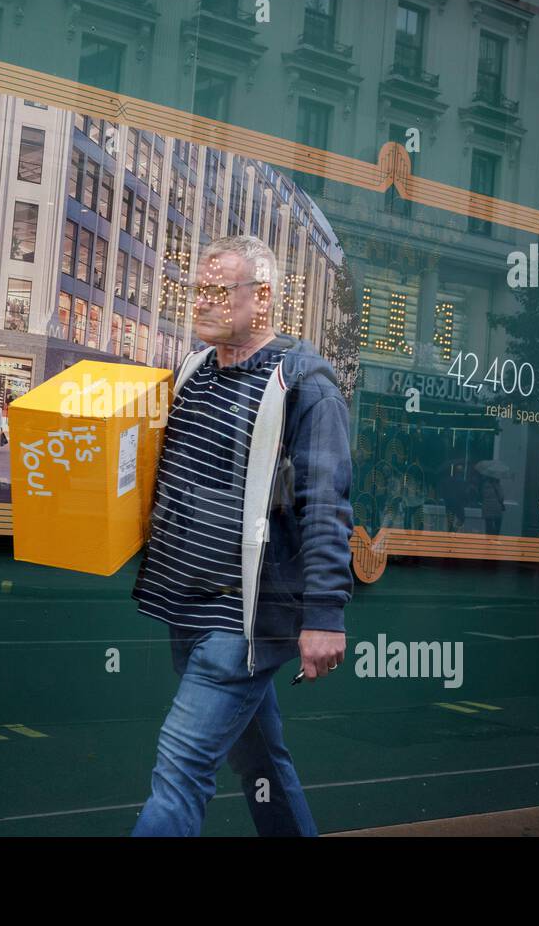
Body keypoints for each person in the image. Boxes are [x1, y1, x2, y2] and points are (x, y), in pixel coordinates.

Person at [130, 235, 352, 837]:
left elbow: (326, 505)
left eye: (215, 291)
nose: (199, 303)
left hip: (243, 621)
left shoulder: (305, 384)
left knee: (179, 770)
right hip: (186, 608)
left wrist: (325, 616)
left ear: (262, 298)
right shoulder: (194, 372)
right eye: (194, 291)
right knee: (260, 762)